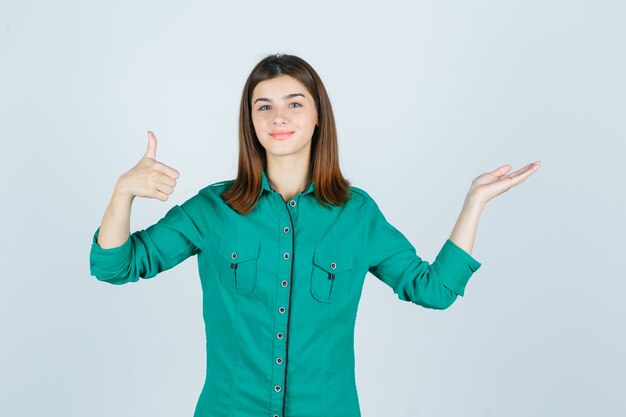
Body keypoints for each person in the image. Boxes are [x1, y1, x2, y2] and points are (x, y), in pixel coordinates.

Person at [89, 53, 541, 417]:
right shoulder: (214, 209)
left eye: (294, 102)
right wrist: (123, 192)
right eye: (263, 105)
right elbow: (115, 265)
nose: (278, 116)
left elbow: (434, 289)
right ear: (250, 121)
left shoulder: (356, 213)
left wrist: (474, 202)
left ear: (318, 116)